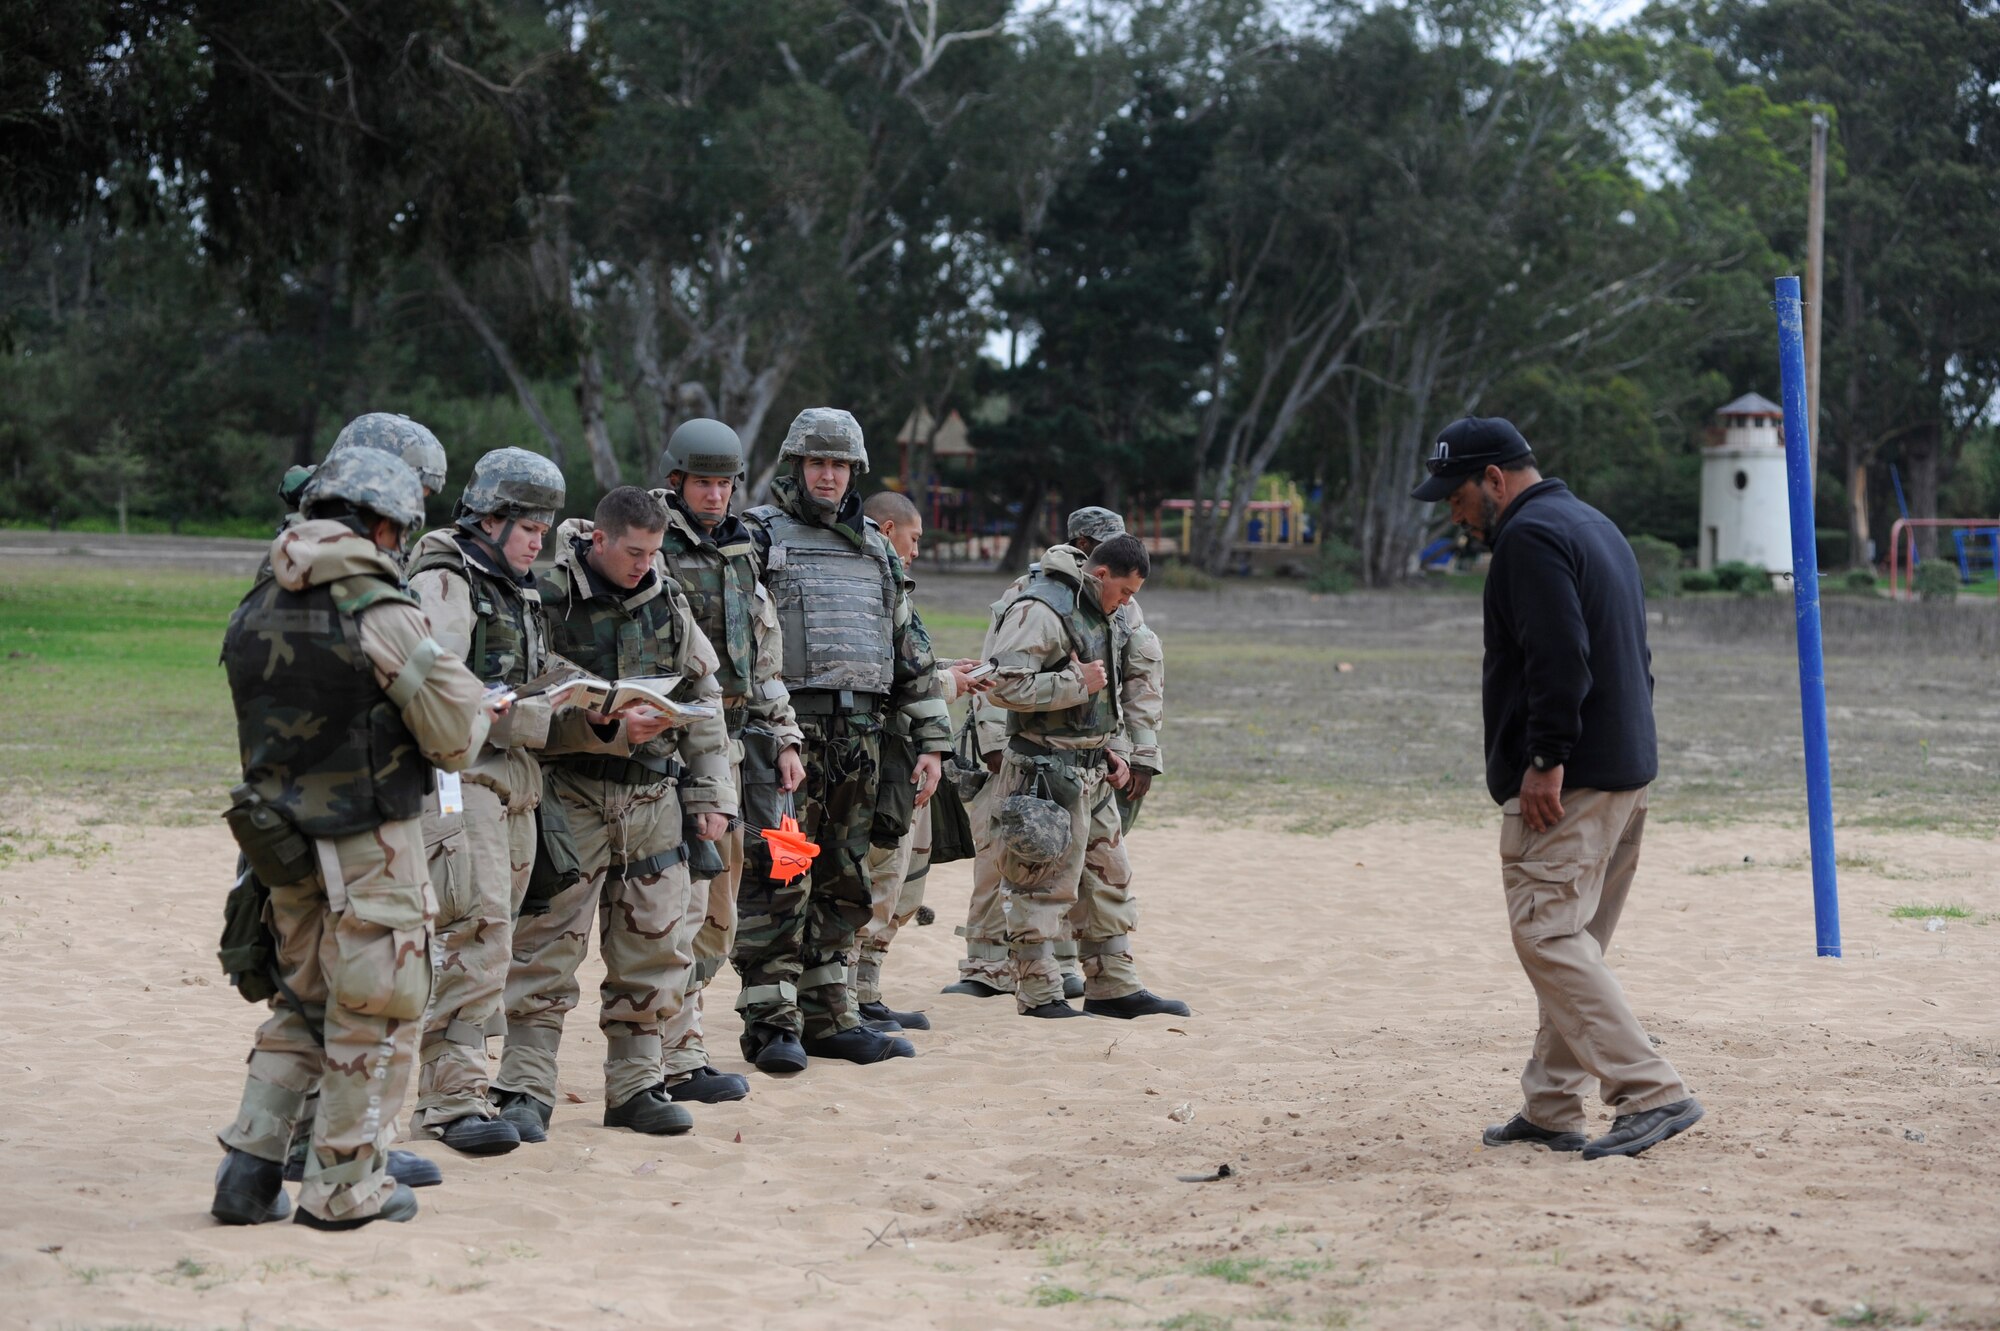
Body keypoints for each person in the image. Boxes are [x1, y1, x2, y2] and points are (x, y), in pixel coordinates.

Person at [212, 450, 497, 1229]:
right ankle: (344, 1187)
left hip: (281, 846)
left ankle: (249, 1169)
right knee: (374, 1010)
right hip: (369, 839)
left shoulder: (259, 597)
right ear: (381, 525)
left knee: (302, 1005)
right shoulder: (380, 609)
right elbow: (453, 736)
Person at [1411, 415, 1704, 1160]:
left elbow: (1558, 654)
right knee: (1571, 944)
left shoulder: (1530, 537)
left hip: (1571, 779)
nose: (1453, 510)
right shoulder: (1593, 524)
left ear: (1496, 480)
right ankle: (1549, 1106)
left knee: (1545, 934)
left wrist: (1546, 757)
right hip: (1623, 769)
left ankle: (1650, 1090)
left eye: (1457, 494)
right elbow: (1630, 651)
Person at [491, 487, 737, 1139]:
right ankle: (523, 1087)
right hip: (568, 794)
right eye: (634, 551)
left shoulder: (670, 599)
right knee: (545, 949)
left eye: (654, 552)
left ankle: (635, 1085)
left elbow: (705, 700)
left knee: (653, 947)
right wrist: (601, 723)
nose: (643, 565)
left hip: (654, 797)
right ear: (598, 540)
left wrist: (712, 796)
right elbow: (516, 703)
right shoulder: (543, 599)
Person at [734, 408, 950, 1070]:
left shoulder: (877, 548)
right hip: (789, 739)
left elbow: (908, 644)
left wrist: (934, 739)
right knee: (784, 870)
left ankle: (830, 1011)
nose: (827, 475)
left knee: (845, 874)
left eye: (839, 465)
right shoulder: (759, 537)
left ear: (853, 471)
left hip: (863, 736)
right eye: (816, 462)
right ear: (795, 465)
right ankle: (771, 1020)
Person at [407, 447, 598, 1155]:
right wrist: (535, 711)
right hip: (461, 782)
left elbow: (510, 679)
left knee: (500, 935)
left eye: (545, 527)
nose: (538, 541)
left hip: (514, 781)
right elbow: (441, 694)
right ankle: (449, 1098)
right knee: (474, 931)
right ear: (488, 518)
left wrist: (580, 698)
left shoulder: (511, 585)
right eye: (527, 526)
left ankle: (462, 1086)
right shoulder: (446, 581)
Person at [947, 507, 1167, 1005]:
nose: (1128, 602)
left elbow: (1122, 686)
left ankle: (1113, 985)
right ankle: (1037, 989)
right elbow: (999, 684)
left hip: (1092, 766)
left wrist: (1120, 750)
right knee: (1038, 880)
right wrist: (1071, 686)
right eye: (1125, 590)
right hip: (1043, 769)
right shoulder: (1040, 606)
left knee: (1108, 876)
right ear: (1097, 563)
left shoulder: (1111, 611)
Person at [650, 419, 806, 1102]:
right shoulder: (651, 544)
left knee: (723, 911)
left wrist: (789, 738)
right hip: (674, 748)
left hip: (742, 750)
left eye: (725, 482)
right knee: (678, 906)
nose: (716, 494)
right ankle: (669, 1055)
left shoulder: (744, 551)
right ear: (677, 479)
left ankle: (682, 1045)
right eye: (704, 481)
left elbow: (764, 661)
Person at [855, 489, 993, 1028]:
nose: (915, 551)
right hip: (882, 756)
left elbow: (908, 665)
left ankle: (865, 993)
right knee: (880, 877)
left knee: (903, 886)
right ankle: (852, 995)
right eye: (913, 539)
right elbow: (880, 679)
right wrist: (951, 683)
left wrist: (943, 672)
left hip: (908, 755)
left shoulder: (893, 589)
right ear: (888, 530)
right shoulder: (864, 590)